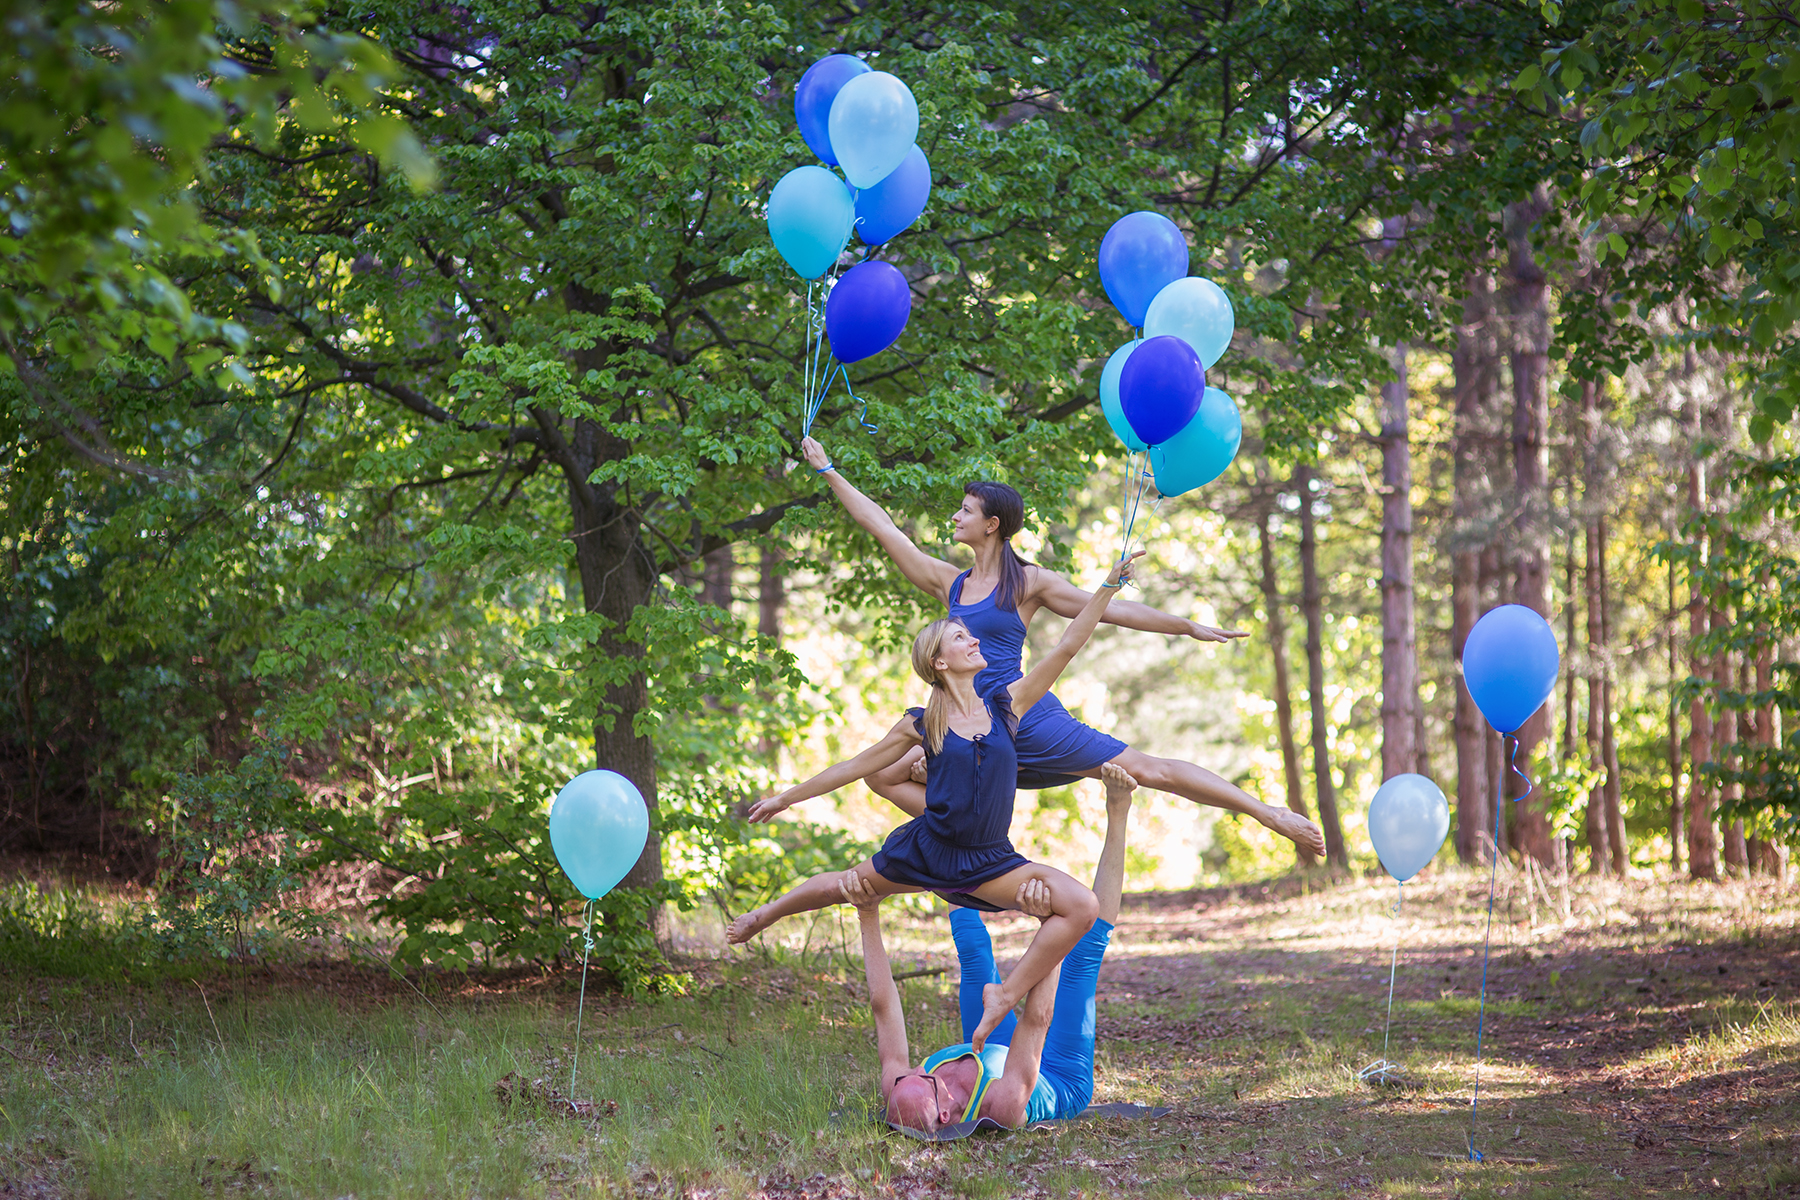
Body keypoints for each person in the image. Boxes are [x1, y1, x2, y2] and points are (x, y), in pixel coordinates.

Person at [798, 434, 1325, 860]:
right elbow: (881, 525)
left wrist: (1187, 626)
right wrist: (827, 470)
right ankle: (966, 843)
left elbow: (1112, 608)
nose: (954, 518)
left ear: (992, 524)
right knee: (884, 772)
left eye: (964, 511)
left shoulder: (1030, 582)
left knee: (1148, 769)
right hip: (969, 723)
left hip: (1025, 716)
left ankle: (1267, 814)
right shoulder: (949, 583)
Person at [728, 552, 1143, 1049]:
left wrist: (1106, 587)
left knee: (1080, 906)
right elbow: (854, 768)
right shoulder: (921, 722)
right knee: (844, 886)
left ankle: (1004, 995)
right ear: (940, 662)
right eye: (962, 638)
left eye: (972, 634)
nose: (975, 639)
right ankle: (763, 916)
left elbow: (1069, 645)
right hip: (929, 848)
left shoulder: (1008, 705)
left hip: (989, 859)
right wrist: (785, 798)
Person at [846, 761, 1142, 1136]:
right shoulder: (1004, 1105)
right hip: (1056, 1076)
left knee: (971, 952)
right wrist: (1053, 925)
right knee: (1083, 954)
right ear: (945, 1115)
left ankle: (953, 821)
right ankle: (1118, 811)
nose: (921, 1070)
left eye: (914, 1074)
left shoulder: (902, 1086)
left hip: (985, 1045)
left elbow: (882, 1005)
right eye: (929, 1080)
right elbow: (1038, 1018)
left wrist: (868, 913)